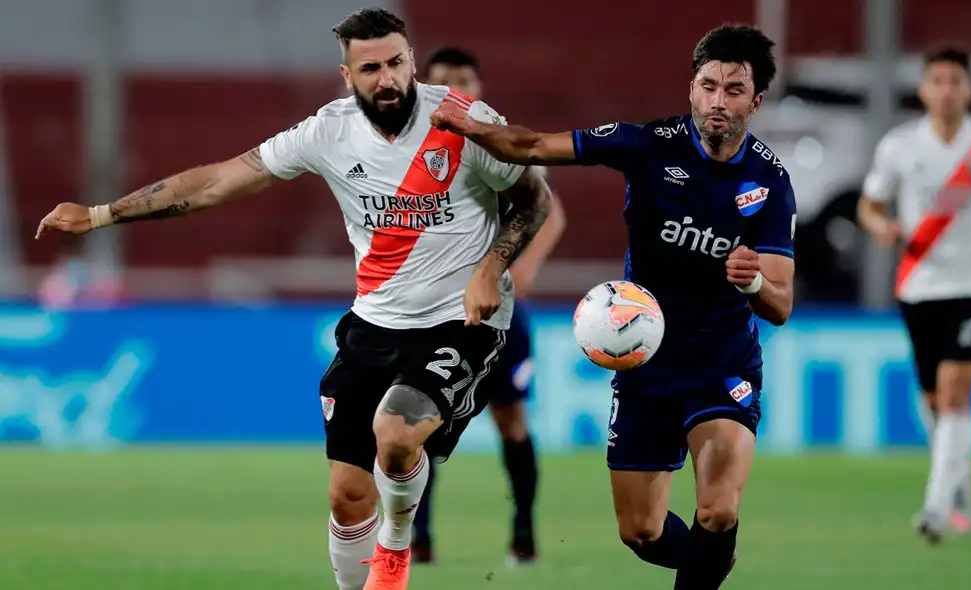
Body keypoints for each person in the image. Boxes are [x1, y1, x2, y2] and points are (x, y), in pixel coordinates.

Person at [35, 8, 552, 590]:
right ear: (347, 75)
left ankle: (398, 548)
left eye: (397, 63)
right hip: (375, 322)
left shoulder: (463, 121)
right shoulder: (326, 132)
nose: (388, 79)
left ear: (412, 59)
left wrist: (492, 266)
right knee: (347, 494)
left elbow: (534, 199)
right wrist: (103, 214)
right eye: (372, 68)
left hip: (460, 320)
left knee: (398, 431)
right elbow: (219, 181)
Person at [432, 24, 794, 589]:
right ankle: (712, 556)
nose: (718, 101)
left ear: (756, 101)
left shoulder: (771, 182)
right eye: (708, 86)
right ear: (692, 88)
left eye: (733, 90)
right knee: (641, 532)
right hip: (645, 362)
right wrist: (469, 126)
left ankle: (713, 545)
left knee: (718, 509)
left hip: (722, 362)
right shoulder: (647, 145)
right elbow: (532, 147)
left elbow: (781, 304)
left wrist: (753, 286)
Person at [412, 46, 567, 566]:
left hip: (501, 314)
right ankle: (420, 538)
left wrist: (521, 269)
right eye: (441, 81)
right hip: (438, 311)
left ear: (479, 87)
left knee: (510, 421)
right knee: (422, 424)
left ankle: (524, 530)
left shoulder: (500, 143)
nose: (454, 89)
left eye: (463, 80)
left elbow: (550, 210)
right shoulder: (418, 150)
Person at [857, 47, 971, 544]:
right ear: (923, 89)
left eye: (955, 80)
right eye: (937, 79)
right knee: (936, 399)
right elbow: (869, 205)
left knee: (957, 389)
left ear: (970, 89)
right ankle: (959, 483)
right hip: (920, 286)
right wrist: (882, 227)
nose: (946, 89)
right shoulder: (899, 146)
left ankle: (936, 508)